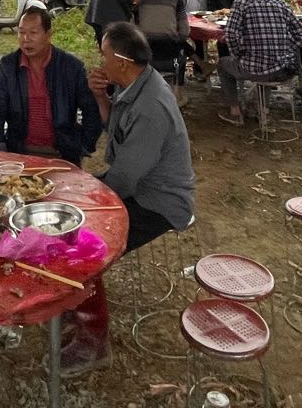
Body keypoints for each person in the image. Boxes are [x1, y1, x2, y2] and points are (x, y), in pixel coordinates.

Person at [68, 22, 194, 374]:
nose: (100, 60)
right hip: (137, 186)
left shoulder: (152, 104)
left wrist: (81, 204)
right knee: (70, 213)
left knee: (81, 246)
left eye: (104, 55)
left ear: (122, 61)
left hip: (158, 203)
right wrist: (99, 98)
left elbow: (122, 181)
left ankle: (93, 344)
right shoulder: (135, 83)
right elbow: (116, 130)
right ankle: (71, 306)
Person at [0, 6, 103, 163]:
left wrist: (84, 146)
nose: (26, 39)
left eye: (33, 33)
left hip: (61, 153)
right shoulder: (8, 65)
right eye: (21, 32)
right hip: (19, 152)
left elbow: (91, 110)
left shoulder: (71, 66)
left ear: (49, 35)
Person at [216, 0, 302, 127]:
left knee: (223, 65)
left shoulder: (241, 3)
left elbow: (230, 35)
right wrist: (284, 49)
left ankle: (235, 112)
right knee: (265, 66)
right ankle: (262, 110)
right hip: (283, 69)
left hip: (255, 69)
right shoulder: (280, 2)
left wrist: (239, 54)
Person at [135, 0, 190, 103]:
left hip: (146, 52)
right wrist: (180, 40)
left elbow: (135, 25)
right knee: (182, 55)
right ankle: (177, 95)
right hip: (169, 53)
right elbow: (184, 30)